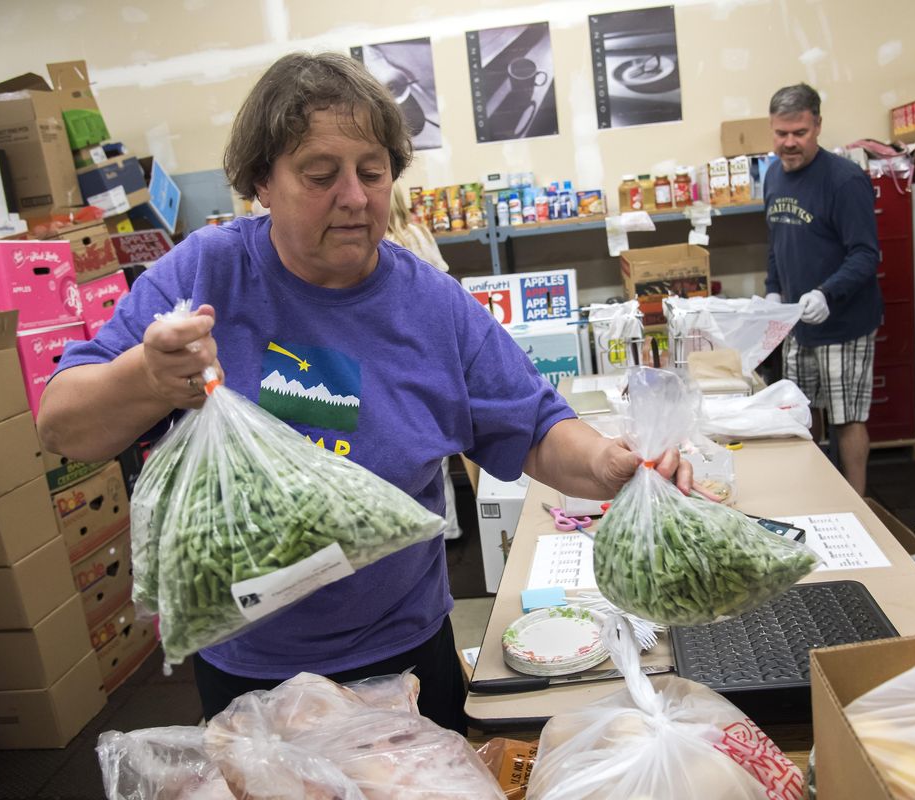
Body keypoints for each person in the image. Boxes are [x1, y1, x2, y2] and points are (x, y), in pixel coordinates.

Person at [36, 52, 691, 733]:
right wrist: (145, 378)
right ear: (262, 181)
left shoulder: (431, 306)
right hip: (250, 668)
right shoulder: (208, 273)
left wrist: (608, 465)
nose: (354, 197)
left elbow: (534, 426)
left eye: (373, 172)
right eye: (321, 175)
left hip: (403, 659)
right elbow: (63, 427)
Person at [763, 83, 882, 496]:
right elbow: (777, 242)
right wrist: (774, 290)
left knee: (847, 418)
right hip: (799, 324)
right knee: (800, 417)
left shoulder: (845, 180)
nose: (790, 143)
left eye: (800, 132)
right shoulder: (774, 175)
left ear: (817, 126)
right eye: (781, 133)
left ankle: (860, 506)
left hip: (843, 324)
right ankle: (814, 500)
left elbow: (866, 255)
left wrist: (827, 293)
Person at [384, 182, 463, 542]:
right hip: (426, 356)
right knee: (434, 457)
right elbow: (443, 282)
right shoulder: (417, 234)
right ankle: (445, 532)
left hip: (387, 361)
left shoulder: (371, 244)